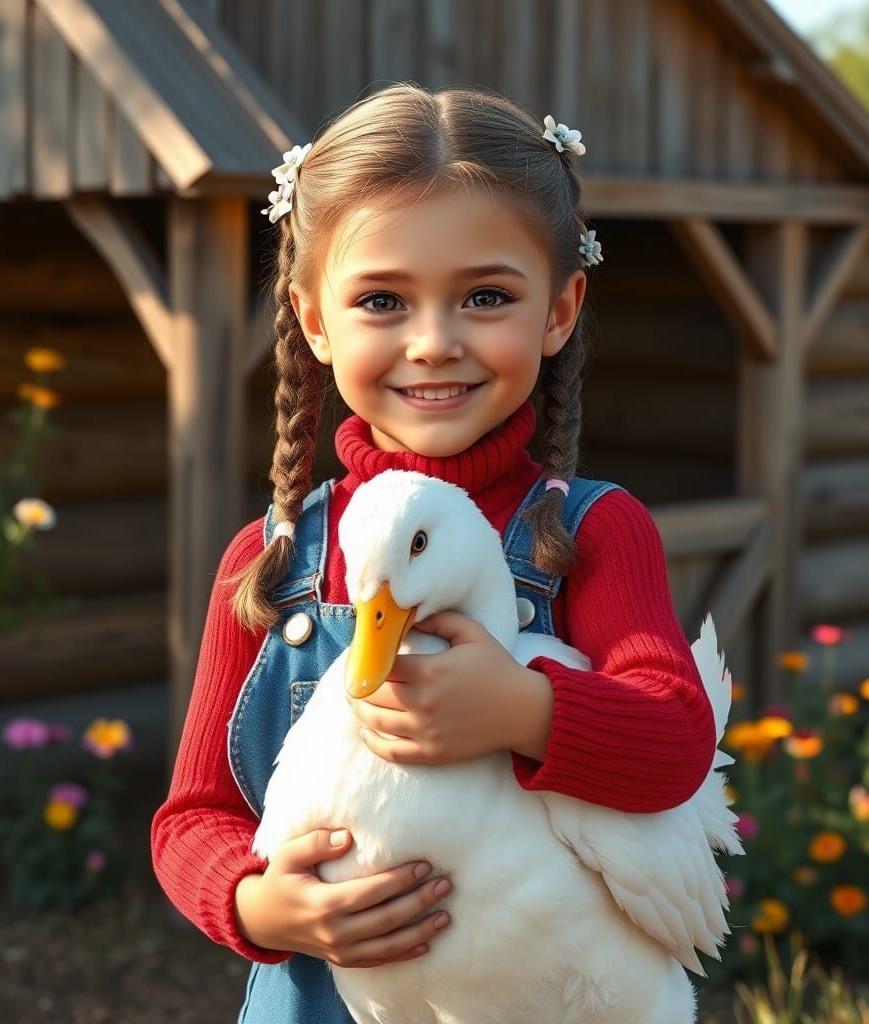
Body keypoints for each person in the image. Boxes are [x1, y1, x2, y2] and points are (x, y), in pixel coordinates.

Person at [151, 82, 716, 1023]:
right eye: (382, 300)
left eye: (485, 297)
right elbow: (194, 815)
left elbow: (677, 744)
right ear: (314, 320)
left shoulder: (591, 533)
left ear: (560, 309)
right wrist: (257, 903)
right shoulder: (270, 560)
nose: (433, 343)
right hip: (318, 999)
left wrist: (525, 708)